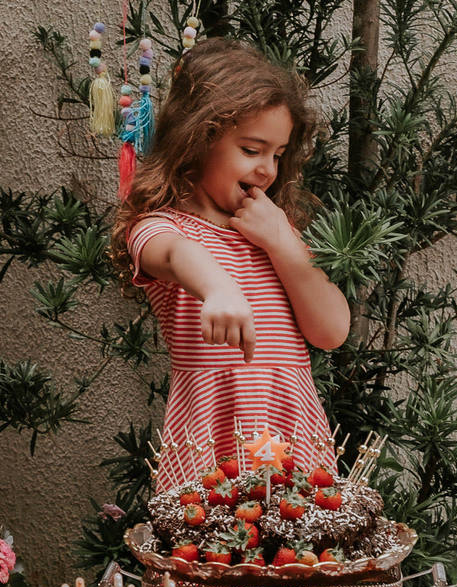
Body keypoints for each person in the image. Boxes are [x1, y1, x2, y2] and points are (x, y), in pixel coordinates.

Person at [113, 38, 350, 492]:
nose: (267, 169)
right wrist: (219, 288)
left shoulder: (273, 232)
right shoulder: (160, 227)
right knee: (211, 554)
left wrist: (283, 243)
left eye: (277, 155)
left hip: (293, 436)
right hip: (213, 438)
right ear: (199, 140)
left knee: (298, 558)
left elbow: (331, 330)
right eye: (252, 149)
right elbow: (178, 255)